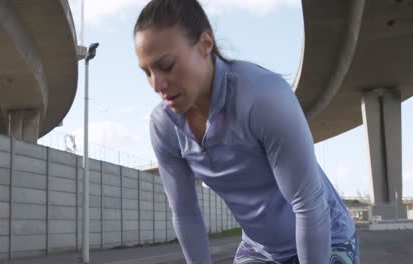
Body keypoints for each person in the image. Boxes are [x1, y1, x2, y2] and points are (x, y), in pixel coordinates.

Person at [133, 0, 359, 263]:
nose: (157, 84)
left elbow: (307, 204)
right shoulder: (164, 126)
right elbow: (185, 213)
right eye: (147, 72)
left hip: (326, 236)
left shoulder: (263, 98)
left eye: (167, 65)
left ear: (205, 44)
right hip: (261, 251)